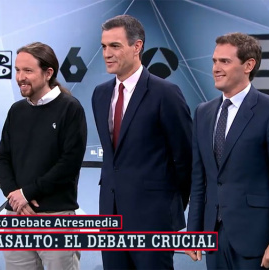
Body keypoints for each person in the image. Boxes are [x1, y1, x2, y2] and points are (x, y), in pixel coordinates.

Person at [185, 32, 269, 269]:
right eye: (214, 61)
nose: (216, 68)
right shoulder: (203, 112)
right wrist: (193, 231)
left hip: (258, 241)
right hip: (213, 238)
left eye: (225, 61)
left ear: (249, 65)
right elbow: (200, 180)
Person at [92, 15, 192, 269]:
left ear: (137, 47)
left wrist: (168, 208)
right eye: (104, 46)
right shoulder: (100, 94)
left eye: (115, 46)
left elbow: (185, 157)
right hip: (110, 218)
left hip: (153, 219)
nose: (107, 53)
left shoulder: (165, 94)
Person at [0, 42, 87, 270]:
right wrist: (14, 196)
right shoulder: (16, 111)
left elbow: (68, 164)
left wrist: (28, 193)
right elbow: (3, 157)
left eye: (27, 71)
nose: (20, 77)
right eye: (17, 70)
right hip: (16, 216)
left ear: (48, 73)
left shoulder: (70, 108)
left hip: (56, 216)